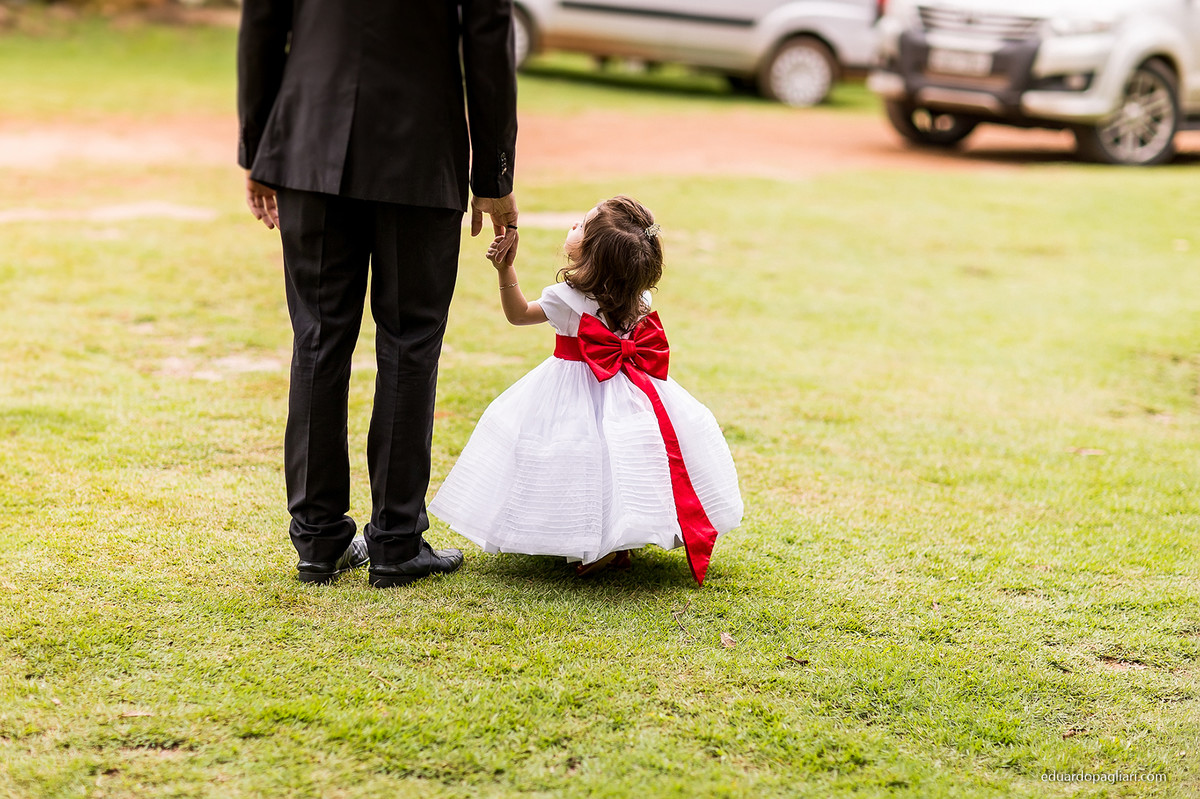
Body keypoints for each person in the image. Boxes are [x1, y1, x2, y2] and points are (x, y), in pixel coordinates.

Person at [236, 0, 519, 587]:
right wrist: (494, 178)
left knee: (317, 337)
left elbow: (264, 20)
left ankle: (317, 540)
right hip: (418, 151)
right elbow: (488, 32)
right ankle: (395, 541)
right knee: (410, 341)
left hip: (310, 144)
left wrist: (261, 148)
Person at [428, 197, 743, 584]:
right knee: (624, 454)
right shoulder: (638, 296)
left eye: (581, 225)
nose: (574, 224)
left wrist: (505, 269)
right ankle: (617, 535)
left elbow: (518, 315)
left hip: (571, 387)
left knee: (575, 452)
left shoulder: (565, 297)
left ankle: (598, 541)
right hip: (628, 386)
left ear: (592, 254)